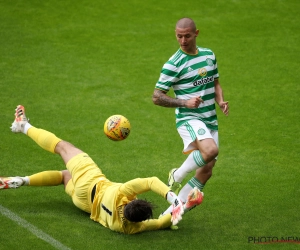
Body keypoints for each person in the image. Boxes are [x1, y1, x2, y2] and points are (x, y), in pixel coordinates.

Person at [1, 105, 204, 234]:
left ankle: (22, 126)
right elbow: (161, 223)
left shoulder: (122, 192)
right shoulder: (128, 228)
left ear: (132, 200)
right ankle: (23, 180)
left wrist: (174, 199)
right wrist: (184, 206)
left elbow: (151, 181)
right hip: (83, 203)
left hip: (91, 182)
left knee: (63, 147)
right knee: (64, 176)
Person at [152, 17, 229, 214]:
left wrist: (220, 101)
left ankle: (172, 213)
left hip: (210, 118)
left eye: (187, 36)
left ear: (196, 33)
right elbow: (157, 97)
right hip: (189, 118)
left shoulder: (209, 55)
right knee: (210, 151)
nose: (183, 40)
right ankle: (176, 175)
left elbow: (215, 82)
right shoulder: (173, 64)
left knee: (207, 170)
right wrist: (184, 102)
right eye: (179, 36)